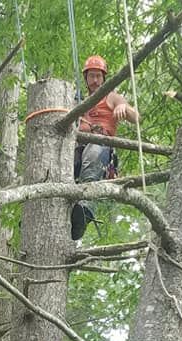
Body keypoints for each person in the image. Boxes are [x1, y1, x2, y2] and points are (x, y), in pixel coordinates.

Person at [71, 55, 139, 241]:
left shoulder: (112, 97)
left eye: (98, 76)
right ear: (85, 78)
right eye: (91, 76)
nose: (94, 80)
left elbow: (136, 117)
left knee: (92, 154)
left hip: (100, 147)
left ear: (104, 78)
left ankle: (86, 209)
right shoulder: (80, 101)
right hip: (77, 149)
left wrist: (124, 108)